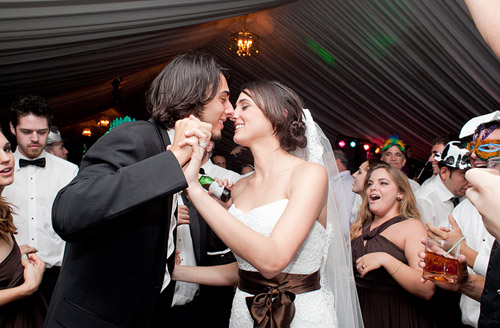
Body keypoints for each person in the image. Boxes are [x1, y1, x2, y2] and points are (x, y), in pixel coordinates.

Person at [43, 52, 232, 328]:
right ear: (195, 96)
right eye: (223, 99)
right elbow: (68, 213)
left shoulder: (184, 153)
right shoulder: (136, 137)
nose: (230, 110)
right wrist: (171, 161)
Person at [173, 80, 363, 327]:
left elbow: (272, 261)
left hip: (301, 315)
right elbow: (245, 268)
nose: (232, 113)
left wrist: (195, 191)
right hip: (244, 313)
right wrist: (177, 272)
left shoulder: (309, 175)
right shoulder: (239, 187)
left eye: (244, 106)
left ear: (280, 114)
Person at [3, 95, 79, 304]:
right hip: (11, 277)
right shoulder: (2, 172)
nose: (35, 138)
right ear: (12, 128)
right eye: (26, 132)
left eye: (42, 132)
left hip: (58, 276)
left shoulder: (69, 171)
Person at [350, 162, 437, 328]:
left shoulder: (413, 227)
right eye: (370, 184)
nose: (373, 188)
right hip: (360, 314)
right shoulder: (358, 228)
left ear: (400, 194)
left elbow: (427, 289)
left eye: (383, 183)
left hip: (396, 316)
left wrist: (387, 260)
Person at [0, 128, 47, 327]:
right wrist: (28, 287)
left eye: (7, 148)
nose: (5, 158)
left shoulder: (2, 209)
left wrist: (13, 256)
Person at [416, 141, 471, 228]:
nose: (470, 182)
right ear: (444, 172)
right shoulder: (424, 199)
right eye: (465, 176)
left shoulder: (466, 195)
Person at [332, 149, 356, 236]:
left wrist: (341, 240)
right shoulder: (335, 181)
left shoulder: (346, 183)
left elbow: (345, 215)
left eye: (326, 161)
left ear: (337, 162)